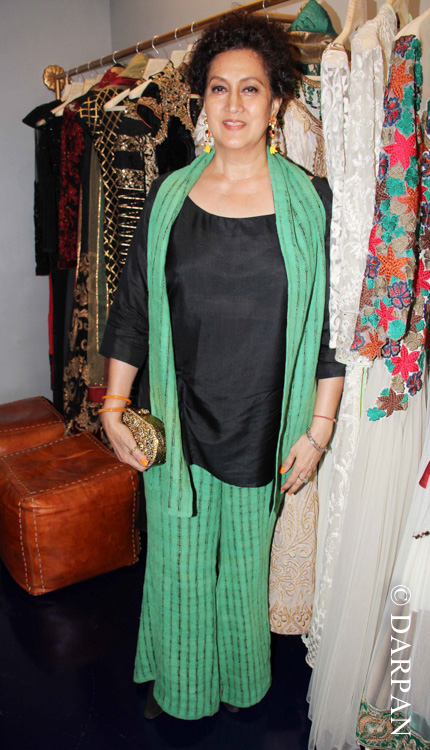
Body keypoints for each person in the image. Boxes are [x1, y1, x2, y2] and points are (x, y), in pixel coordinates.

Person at [99, 11, 345, 721]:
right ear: (201, 100)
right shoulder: (169, 196)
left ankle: (241, 683)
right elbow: (133, 308)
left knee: (242, 566)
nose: (233, 104)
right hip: (179, 419)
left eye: (250, 88)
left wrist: (320, 429)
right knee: (176, 561)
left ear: (277, 101)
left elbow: (332, 327)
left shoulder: (312, 202)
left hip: (265, 424)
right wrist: (114, 408)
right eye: (218, 88)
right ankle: (179, 684)